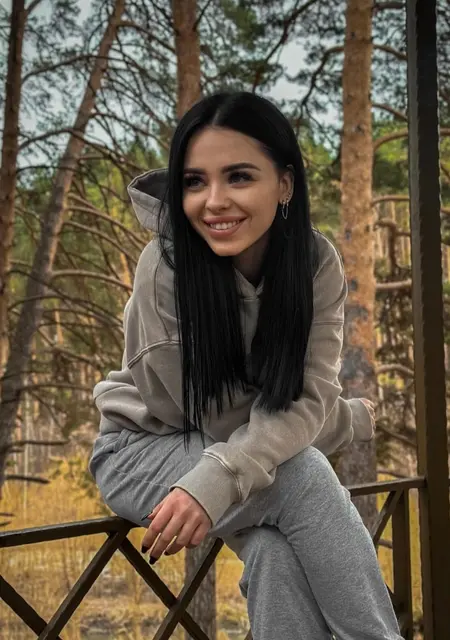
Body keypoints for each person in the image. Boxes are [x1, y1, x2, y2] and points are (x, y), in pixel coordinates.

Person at [89, 91, 402, 640]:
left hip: (237, 456)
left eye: (238, 177)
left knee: (275, 551)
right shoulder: (164, 268)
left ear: (285, 184)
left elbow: (304, 395)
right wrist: (341, 420)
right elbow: (227, 416)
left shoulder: (314, 263)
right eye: (194, 181)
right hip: (143, 450)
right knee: (303, 473)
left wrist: (311, 414)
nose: (214, 201)